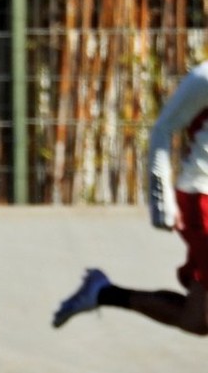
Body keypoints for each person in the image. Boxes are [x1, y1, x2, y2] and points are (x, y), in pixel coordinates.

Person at [53, 59, 208, 334]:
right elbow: (164, 128)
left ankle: (102, 292)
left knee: (196, 319)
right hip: (202, 199)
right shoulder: (204, 78)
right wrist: (161, 196)